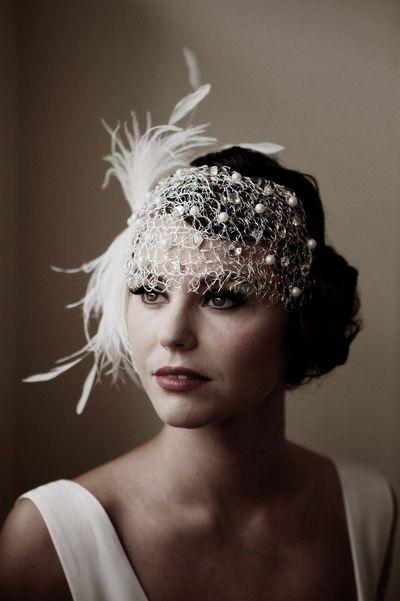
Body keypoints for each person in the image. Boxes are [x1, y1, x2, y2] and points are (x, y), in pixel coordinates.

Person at [0, 52, 396, 601]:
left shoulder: (372, 511)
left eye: (223, 297)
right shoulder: (46, 541)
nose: (171, 334)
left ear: (302, 319)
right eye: (150, 292)